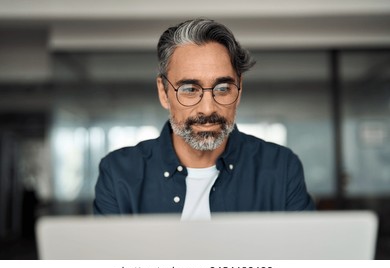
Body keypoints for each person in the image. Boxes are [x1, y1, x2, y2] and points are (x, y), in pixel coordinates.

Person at [93, 18, 315, 218]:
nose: (208, 109)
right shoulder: (119, 174)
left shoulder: (281, 168)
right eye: (189, 89)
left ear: (239, 90)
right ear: (164, 92)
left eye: (222, 88)